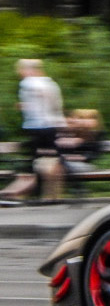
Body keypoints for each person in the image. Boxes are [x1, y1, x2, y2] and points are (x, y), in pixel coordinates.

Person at [0, 59, 67, 201]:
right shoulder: (51, 84)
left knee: (36, 161)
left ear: (30, 70)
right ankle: (50, 195)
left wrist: (28, 107)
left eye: (22, 70)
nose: (21, 74)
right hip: (51, 126)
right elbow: (56, 105)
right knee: (50, 159)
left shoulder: (28, 83)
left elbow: (36, 106)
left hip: (36, 126)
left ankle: (20, 191)